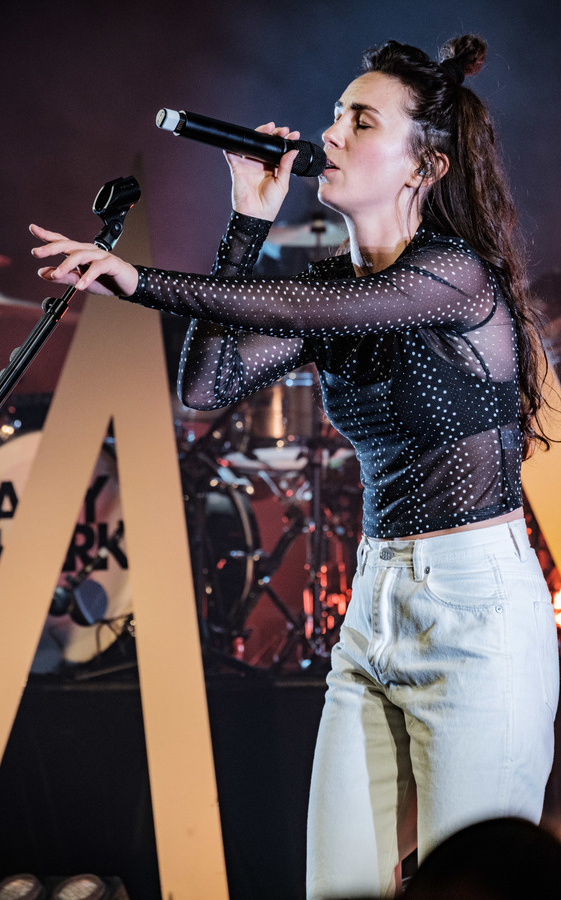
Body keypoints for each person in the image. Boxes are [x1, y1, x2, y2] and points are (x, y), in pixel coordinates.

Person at [30, 34, 560, 900]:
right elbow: (206, 385)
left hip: (479, 619)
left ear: (425, 163)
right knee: (337, 885)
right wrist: (246, 218)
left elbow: (305, 306)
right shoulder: (333, 291)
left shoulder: (453, 276)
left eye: (360, 120)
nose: (332, 134)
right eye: (335, 116)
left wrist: (135, 279)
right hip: (377, 603)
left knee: (473, 886)